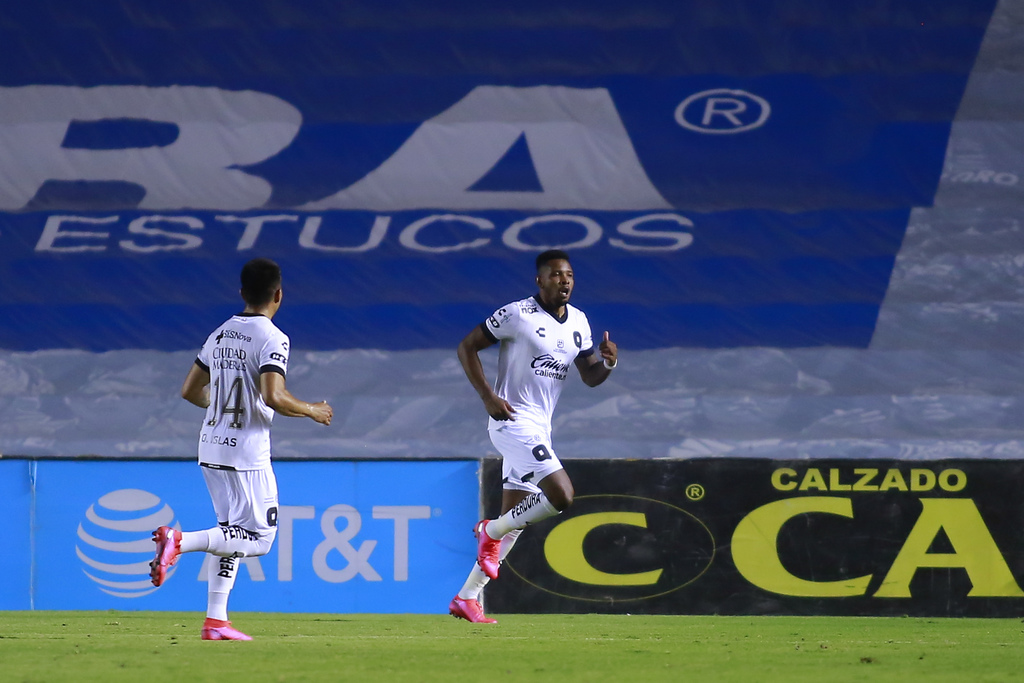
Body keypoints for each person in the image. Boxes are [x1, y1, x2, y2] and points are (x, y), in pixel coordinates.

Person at [149, 257, 333, 641]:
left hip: (211, 446)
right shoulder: (272, 337)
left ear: (242, 293)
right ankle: (180, 541)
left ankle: (216, 620)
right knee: (260, 540)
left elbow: (189, 391)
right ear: (278, 295)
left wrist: (220, 409)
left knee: (230, 533)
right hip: (246, 453)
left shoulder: (219, 334)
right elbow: (274, 395)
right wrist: (312, 410)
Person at [448, 249, 618, 623]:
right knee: (561, 495)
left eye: (569, 275)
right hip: (511, 421)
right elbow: (467, 347)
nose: (565, 281)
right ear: (539, 281)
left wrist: (607, 362)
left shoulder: (579, 322)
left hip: (540, 428)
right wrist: (488, 397)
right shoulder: (517, 314)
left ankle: (467, 598)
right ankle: (488, 530)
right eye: (556, 275)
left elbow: (589, 376)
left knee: (517, 520)